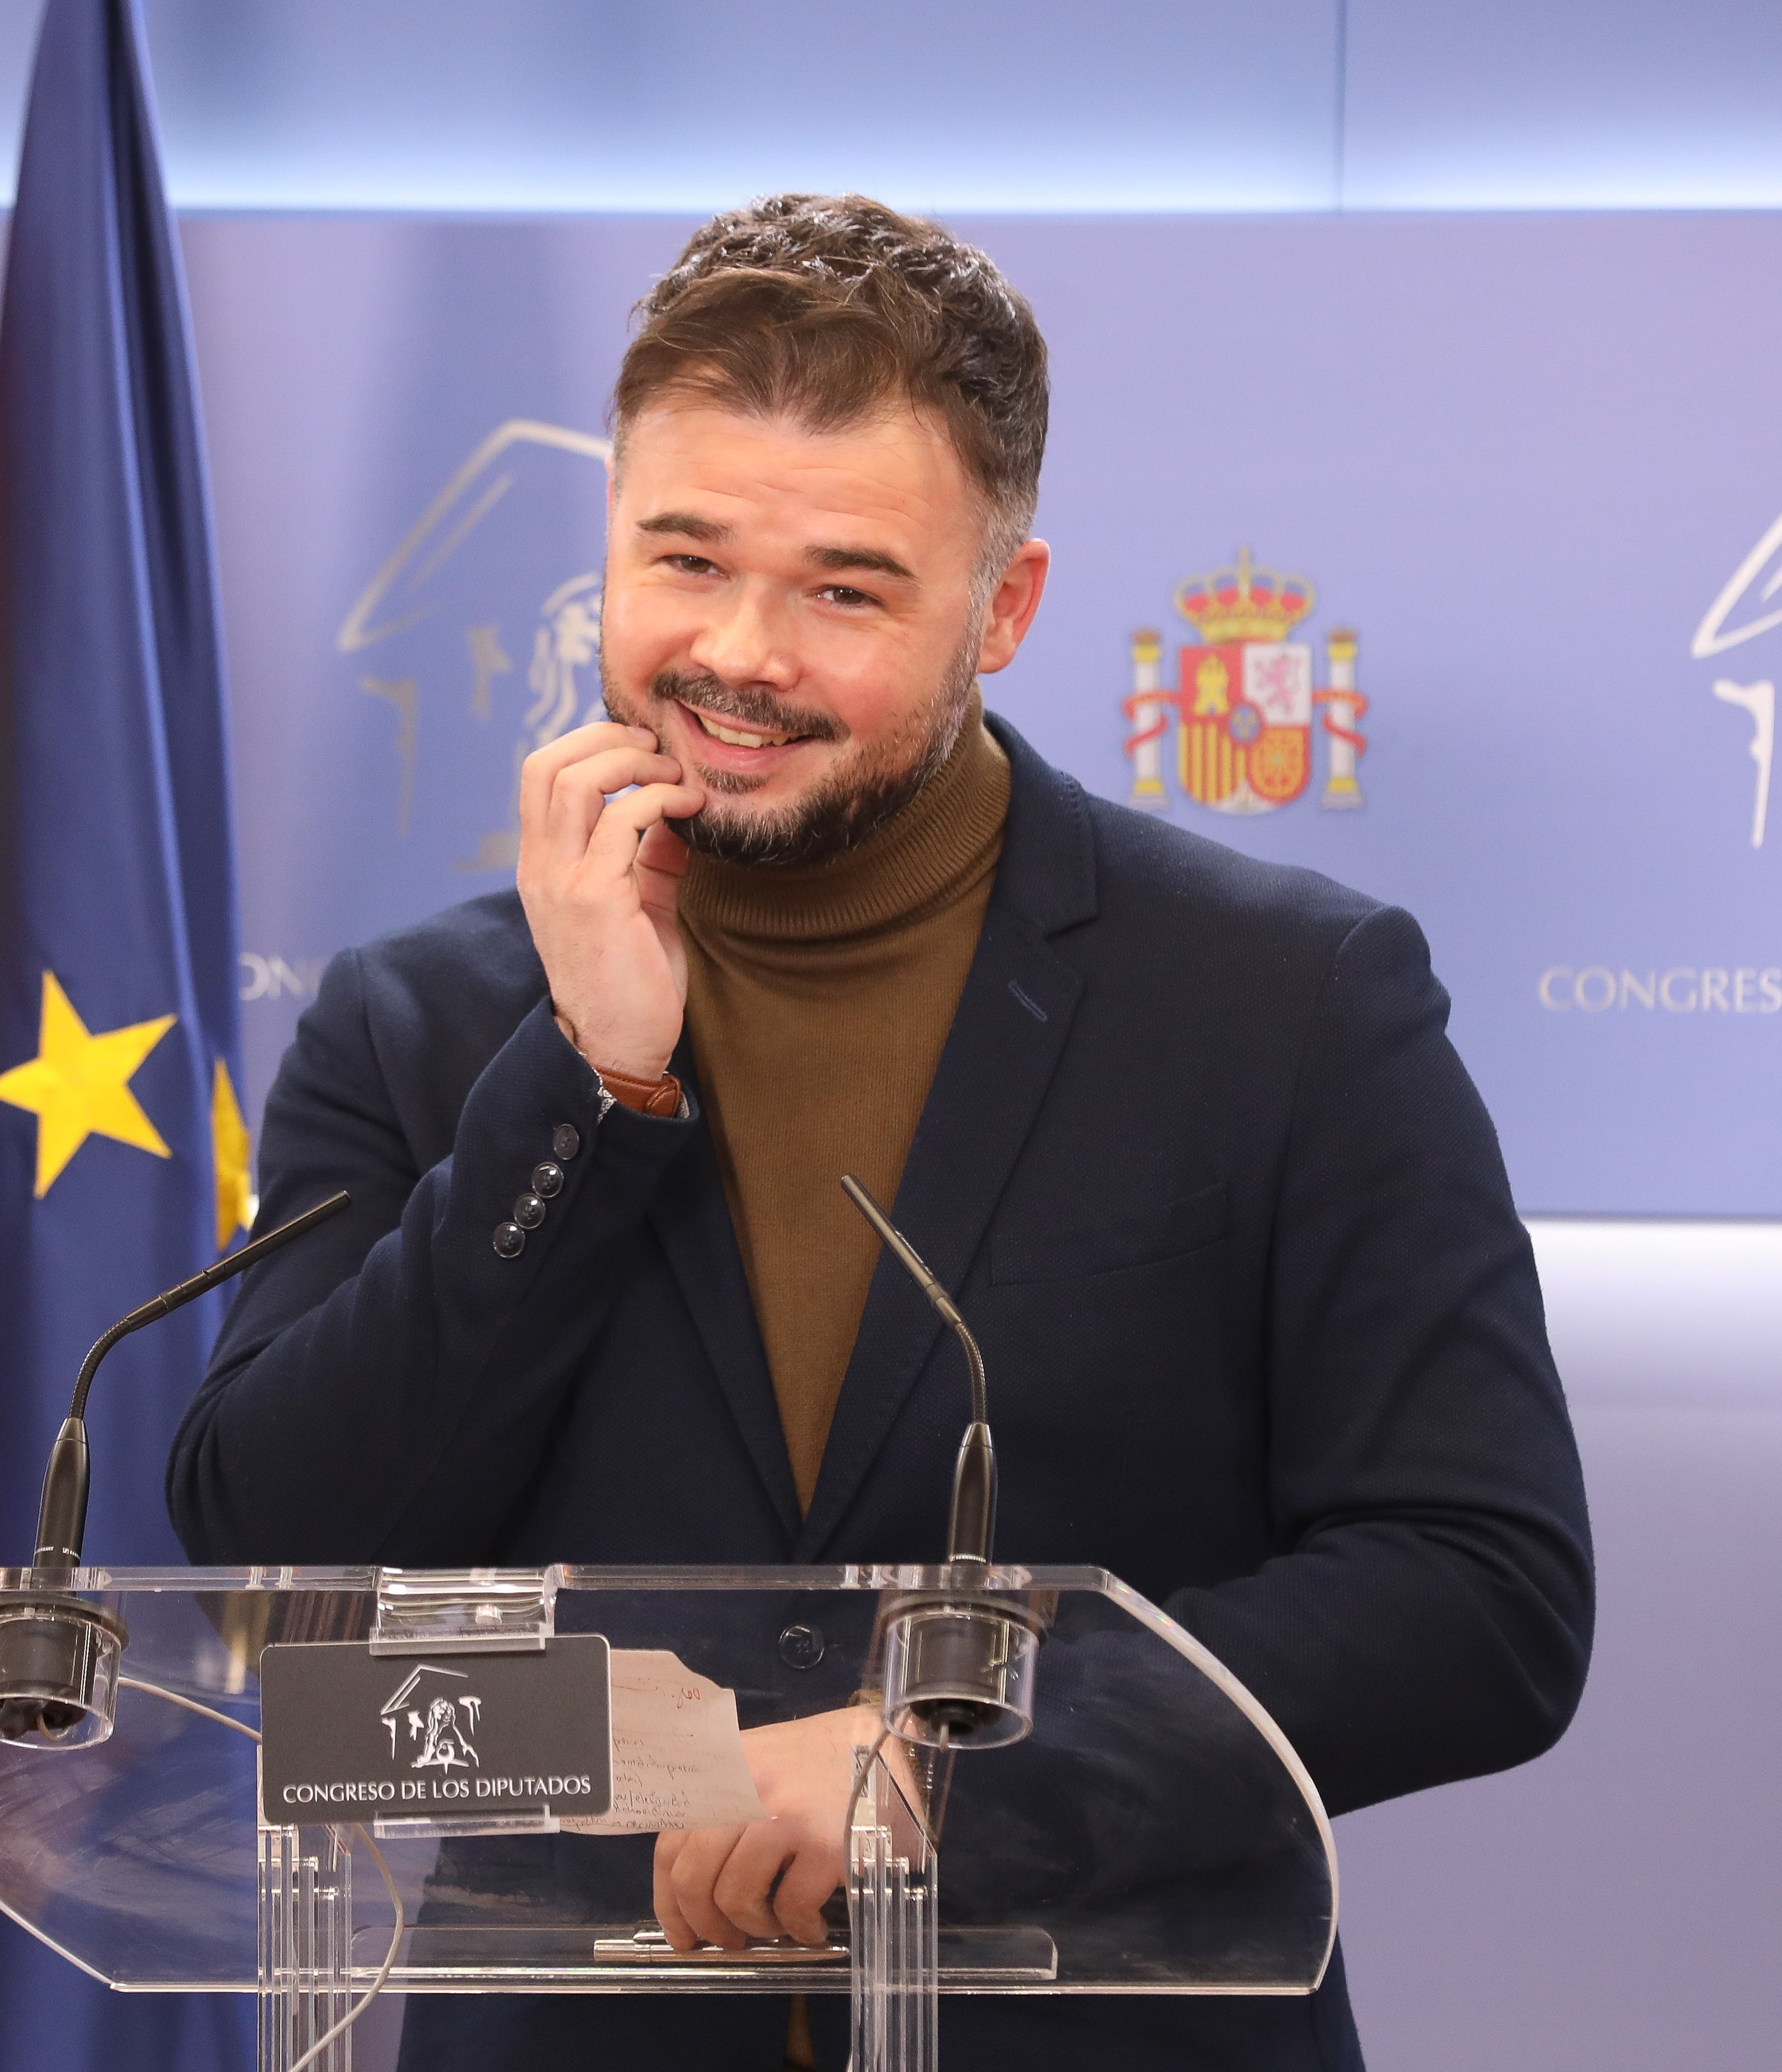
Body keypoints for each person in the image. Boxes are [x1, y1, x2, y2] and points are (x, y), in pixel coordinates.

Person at [167, 194, 1592, 2071]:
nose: (738, 654)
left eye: (845, 588)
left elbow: (1480, 1585)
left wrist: (948, 1763)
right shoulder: (424, 1019)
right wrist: (587, 1089)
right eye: (684, 559)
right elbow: (281, 1563)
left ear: (1002, 607)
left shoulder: (1290, 1002)